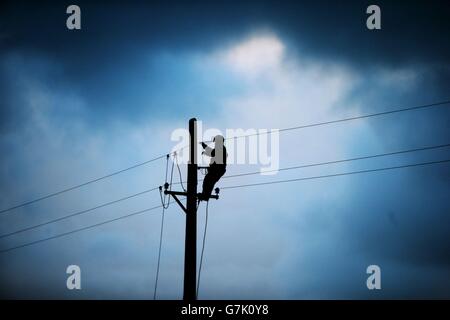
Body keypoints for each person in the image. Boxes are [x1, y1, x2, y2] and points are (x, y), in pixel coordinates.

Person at [198, 135, 227, 201]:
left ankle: (205, 195)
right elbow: (212, 153)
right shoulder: (221, 148)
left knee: (208, 181)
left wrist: (204, 146)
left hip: (217, 170)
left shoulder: (220, 147)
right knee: (209, 182)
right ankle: (205, 195)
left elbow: (212, 153)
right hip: (218, 170)